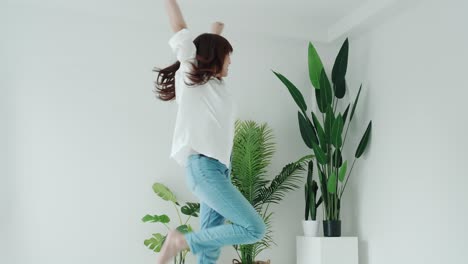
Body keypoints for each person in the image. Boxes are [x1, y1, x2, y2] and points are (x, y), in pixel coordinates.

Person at [153, 0, 266, 263]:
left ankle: (189, 245)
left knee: (209, 248)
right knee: (254, 229)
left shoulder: (214, 85)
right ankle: (180, 242)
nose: (231, 62)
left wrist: (216, 30)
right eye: (229, 56)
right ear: (218, 55)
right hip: (204, 168)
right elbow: (180, 29)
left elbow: (208, 47)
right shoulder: (191, 74)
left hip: (217, 171)